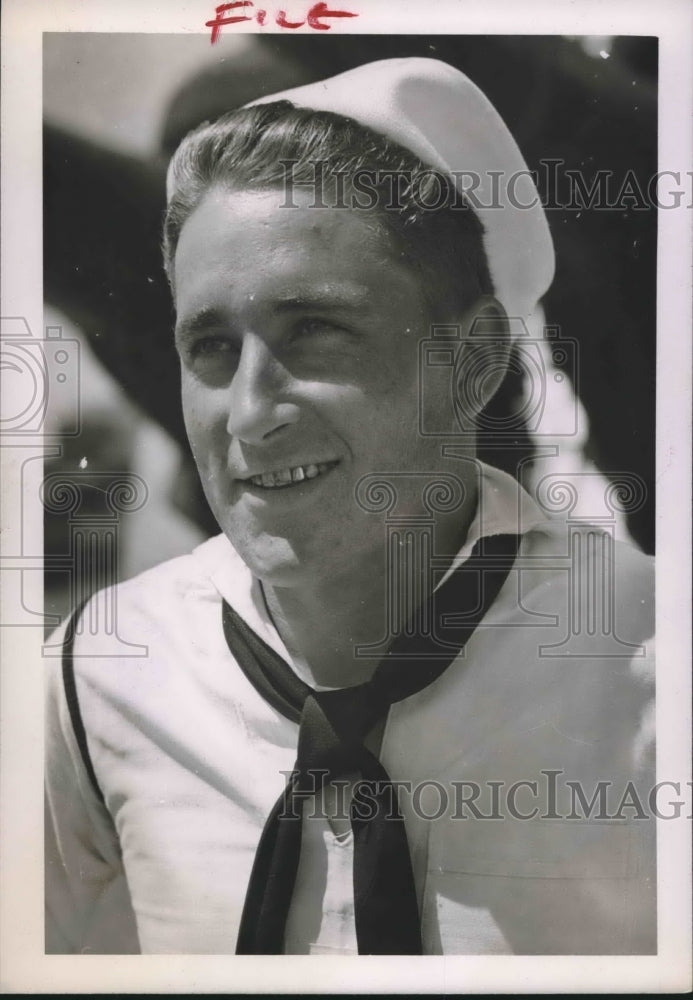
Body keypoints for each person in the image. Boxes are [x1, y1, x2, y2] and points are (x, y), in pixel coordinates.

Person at [45, 58, 655, 956]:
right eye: (208, 346)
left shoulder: (650, 673)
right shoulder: (95, 678)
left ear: (473, 359)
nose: (250, 414)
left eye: (316, 330)